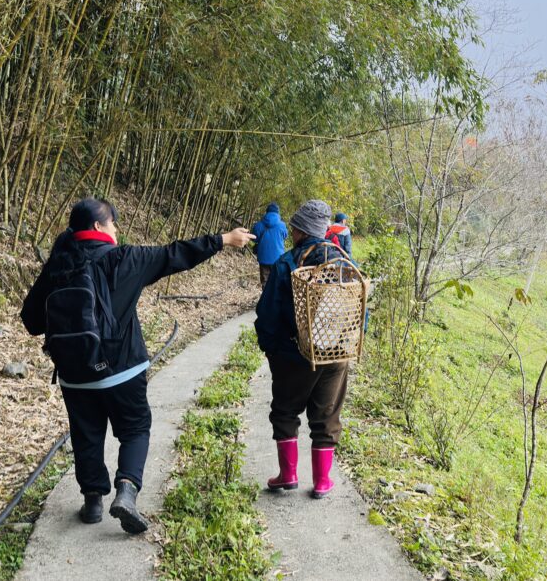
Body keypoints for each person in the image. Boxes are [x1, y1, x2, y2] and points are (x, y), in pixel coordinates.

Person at [21, 198, 253, 533]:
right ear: (100, 226)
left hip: (74, 375)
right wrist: (224, 240)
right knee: (134, 428)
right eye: (113, 223)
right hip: (122, 369)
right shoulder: (124, 258)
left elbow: (31, 320)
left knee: (87, 435)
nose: (116, 229)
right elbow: (175, 254)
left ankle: (92, 503)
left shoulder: (59, 264)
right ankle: (126, 492)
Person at [255, 199, 349, 499]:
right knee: (326, 415)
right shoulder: (345, 263)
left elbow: (268, 313)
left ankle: (289, 475)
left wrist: (270, 348)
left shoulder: (287, 264)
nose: (292, 231)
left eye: (295, 227)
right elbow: (361, 312)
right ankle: (322, 482)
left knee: (285, 411)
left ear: (300, 231)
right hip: (335, 353)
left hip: (294, 354)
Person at [251, 201, 288, 287]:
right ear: (277, 213)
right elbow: (285, 236)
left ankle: (266, 299)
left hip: (263, 258)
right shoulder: (282, 225)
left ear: (266, 212)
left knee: (265, 281)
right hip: (278, 258)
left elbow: (254, 239)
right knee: (276, 281)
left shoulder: (259, 225)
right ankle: (275, 299)